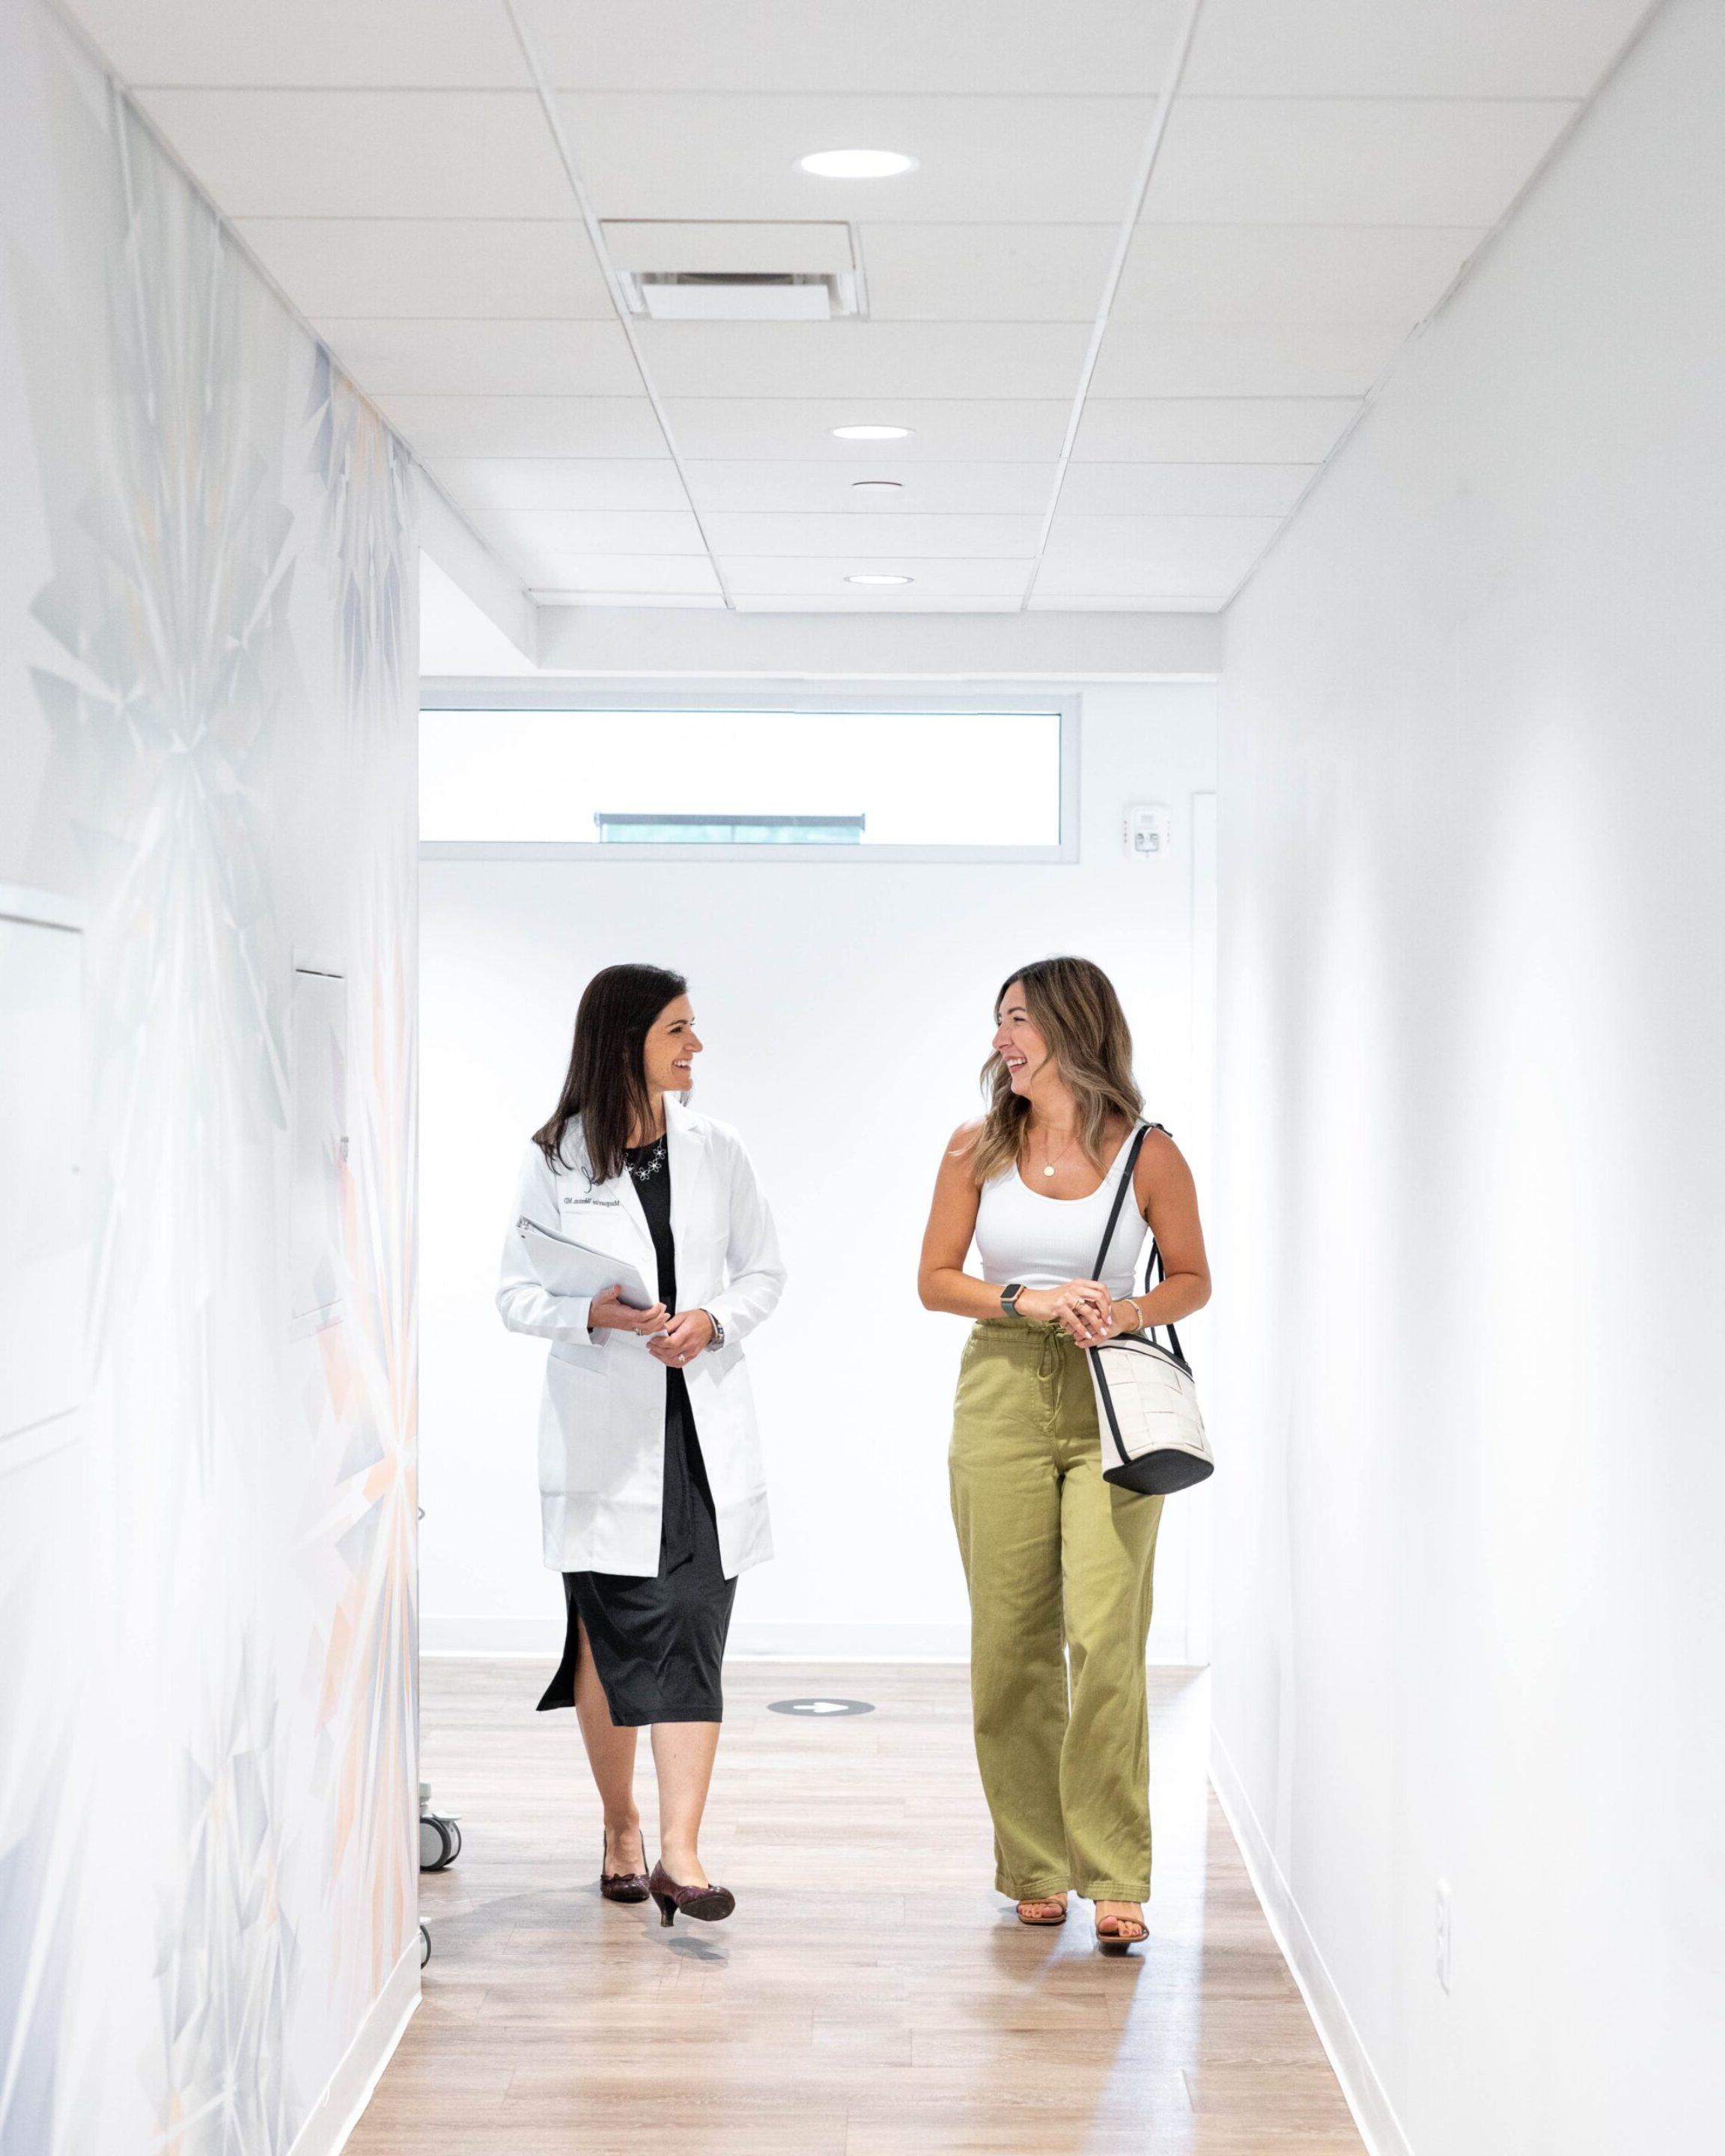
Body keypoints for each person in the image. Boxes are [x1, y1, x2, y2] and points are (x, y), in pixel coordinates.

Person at [917, 955, 1211, 1953]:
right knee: (1010, 1641)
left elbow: (1192, 1281)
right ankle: (1034, 1864)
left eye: (1020, 1021)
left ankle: (1116, 1870)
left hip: (1113, 1396)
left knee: (1106, 1638)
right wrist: (1025, 1298)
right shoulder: (975, 1149)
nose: (1002, 1038)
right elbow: (935, 1280)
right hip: (999, 1389)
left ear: (1074, 1031)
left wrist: (1120, 1307)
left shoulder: (1149, 1154)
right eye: (999, 1019)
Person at [497, 963, 785, 1925]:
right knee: (610, 1636)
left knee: (695, 1629)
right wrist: (600, 1316)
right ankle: (621, 1827)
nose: (695, 1047)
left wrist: (712, 1319)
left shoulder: (718, 1148)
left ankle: (684, 1853)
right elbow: (514, 1295)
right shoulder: (558, 1159)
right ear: (627, 1041)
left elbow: (766, 1271)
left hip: (700, 1428)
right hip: (607, 1433)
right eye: (678, 1030)